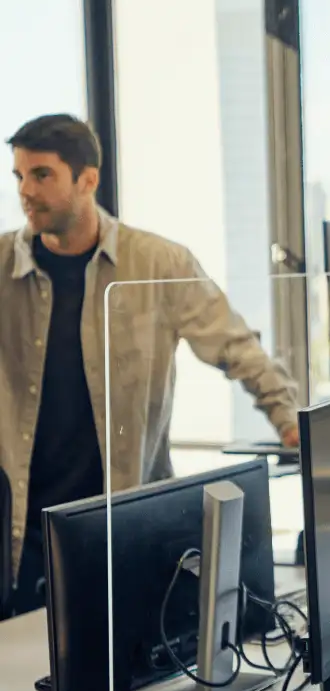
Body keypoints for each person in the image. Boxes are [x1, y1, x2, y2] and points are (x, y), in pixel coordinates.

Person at [0, 114, 300, 617]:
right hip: (22, 527)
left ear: (87, 179)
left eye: (42, 175)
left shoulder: (158, 264)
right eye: (19, 176)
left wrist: (290, 421)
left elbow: (237, 346)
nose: (25, 190)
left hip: (121, 519)